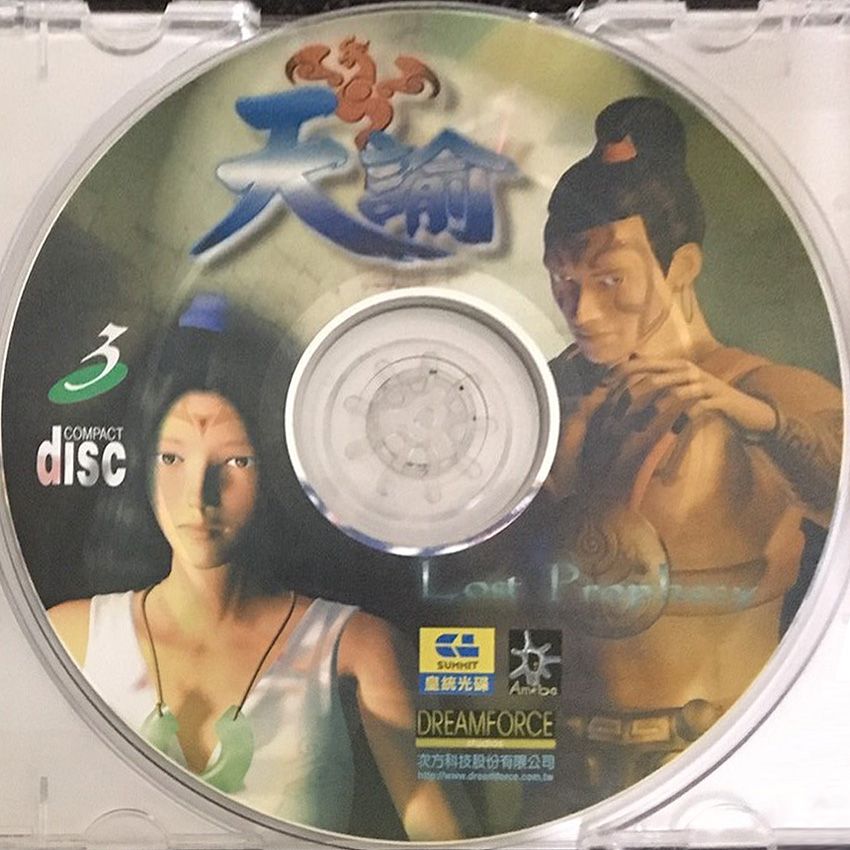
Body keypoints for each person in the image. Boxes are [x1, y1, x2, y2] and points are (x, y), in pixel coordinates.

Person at [47, 294, 469, 840]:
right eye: (172, 457)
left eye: (235, 461)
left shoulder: (359, 647)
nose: (199, 495)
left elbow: (451, 839)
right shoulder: (69, 637)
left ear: (274, 471)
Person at [536, 97, 842, 801]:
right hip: (555, 775)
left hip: (721, 767)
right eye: (563, 281)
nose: (582, 310)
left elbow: (837, 481)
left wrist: (758, 421)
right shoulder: (543, 397)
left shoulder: (763, 390)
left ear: (682, 266)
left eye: (610, 279)